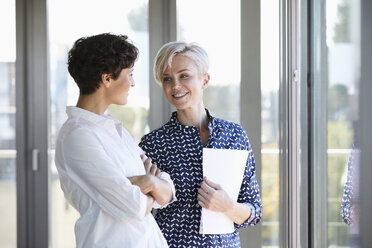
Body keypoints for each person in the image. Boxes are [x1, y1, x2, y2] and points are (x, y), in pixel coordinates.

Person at [55, 33, 176, 248]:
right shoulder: (78, 136)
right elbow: (133, 206)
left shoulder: (114, 129)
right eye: (129, 74)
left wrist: (149, 182)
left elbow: (168, 194)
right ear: (107, 78)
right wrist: (148, 185)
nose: (133, 82)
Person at [139, 41, 262, 247]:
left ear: (205, 80)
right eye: (167, 79)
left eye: (184, 75)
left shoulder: (235, 136)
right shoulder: (153, 144)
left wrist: (228, 206)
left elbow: (254, 212)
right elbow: (141, 211)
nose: (175, 85)